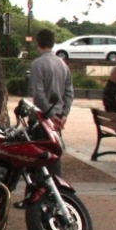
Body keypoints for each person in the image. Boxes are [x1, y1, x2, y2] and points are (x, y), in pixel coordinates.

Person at [29, 29, 73, 177]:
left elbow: (39, 93)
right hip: (59, 115)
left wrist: (50, 114)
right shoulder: (62, 64)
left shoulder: (37, 64)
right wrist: (63, 114)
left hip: (42, 115)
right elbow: (69, 92)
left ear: (38, 43)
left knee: (39, 157)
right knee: (55, 155)